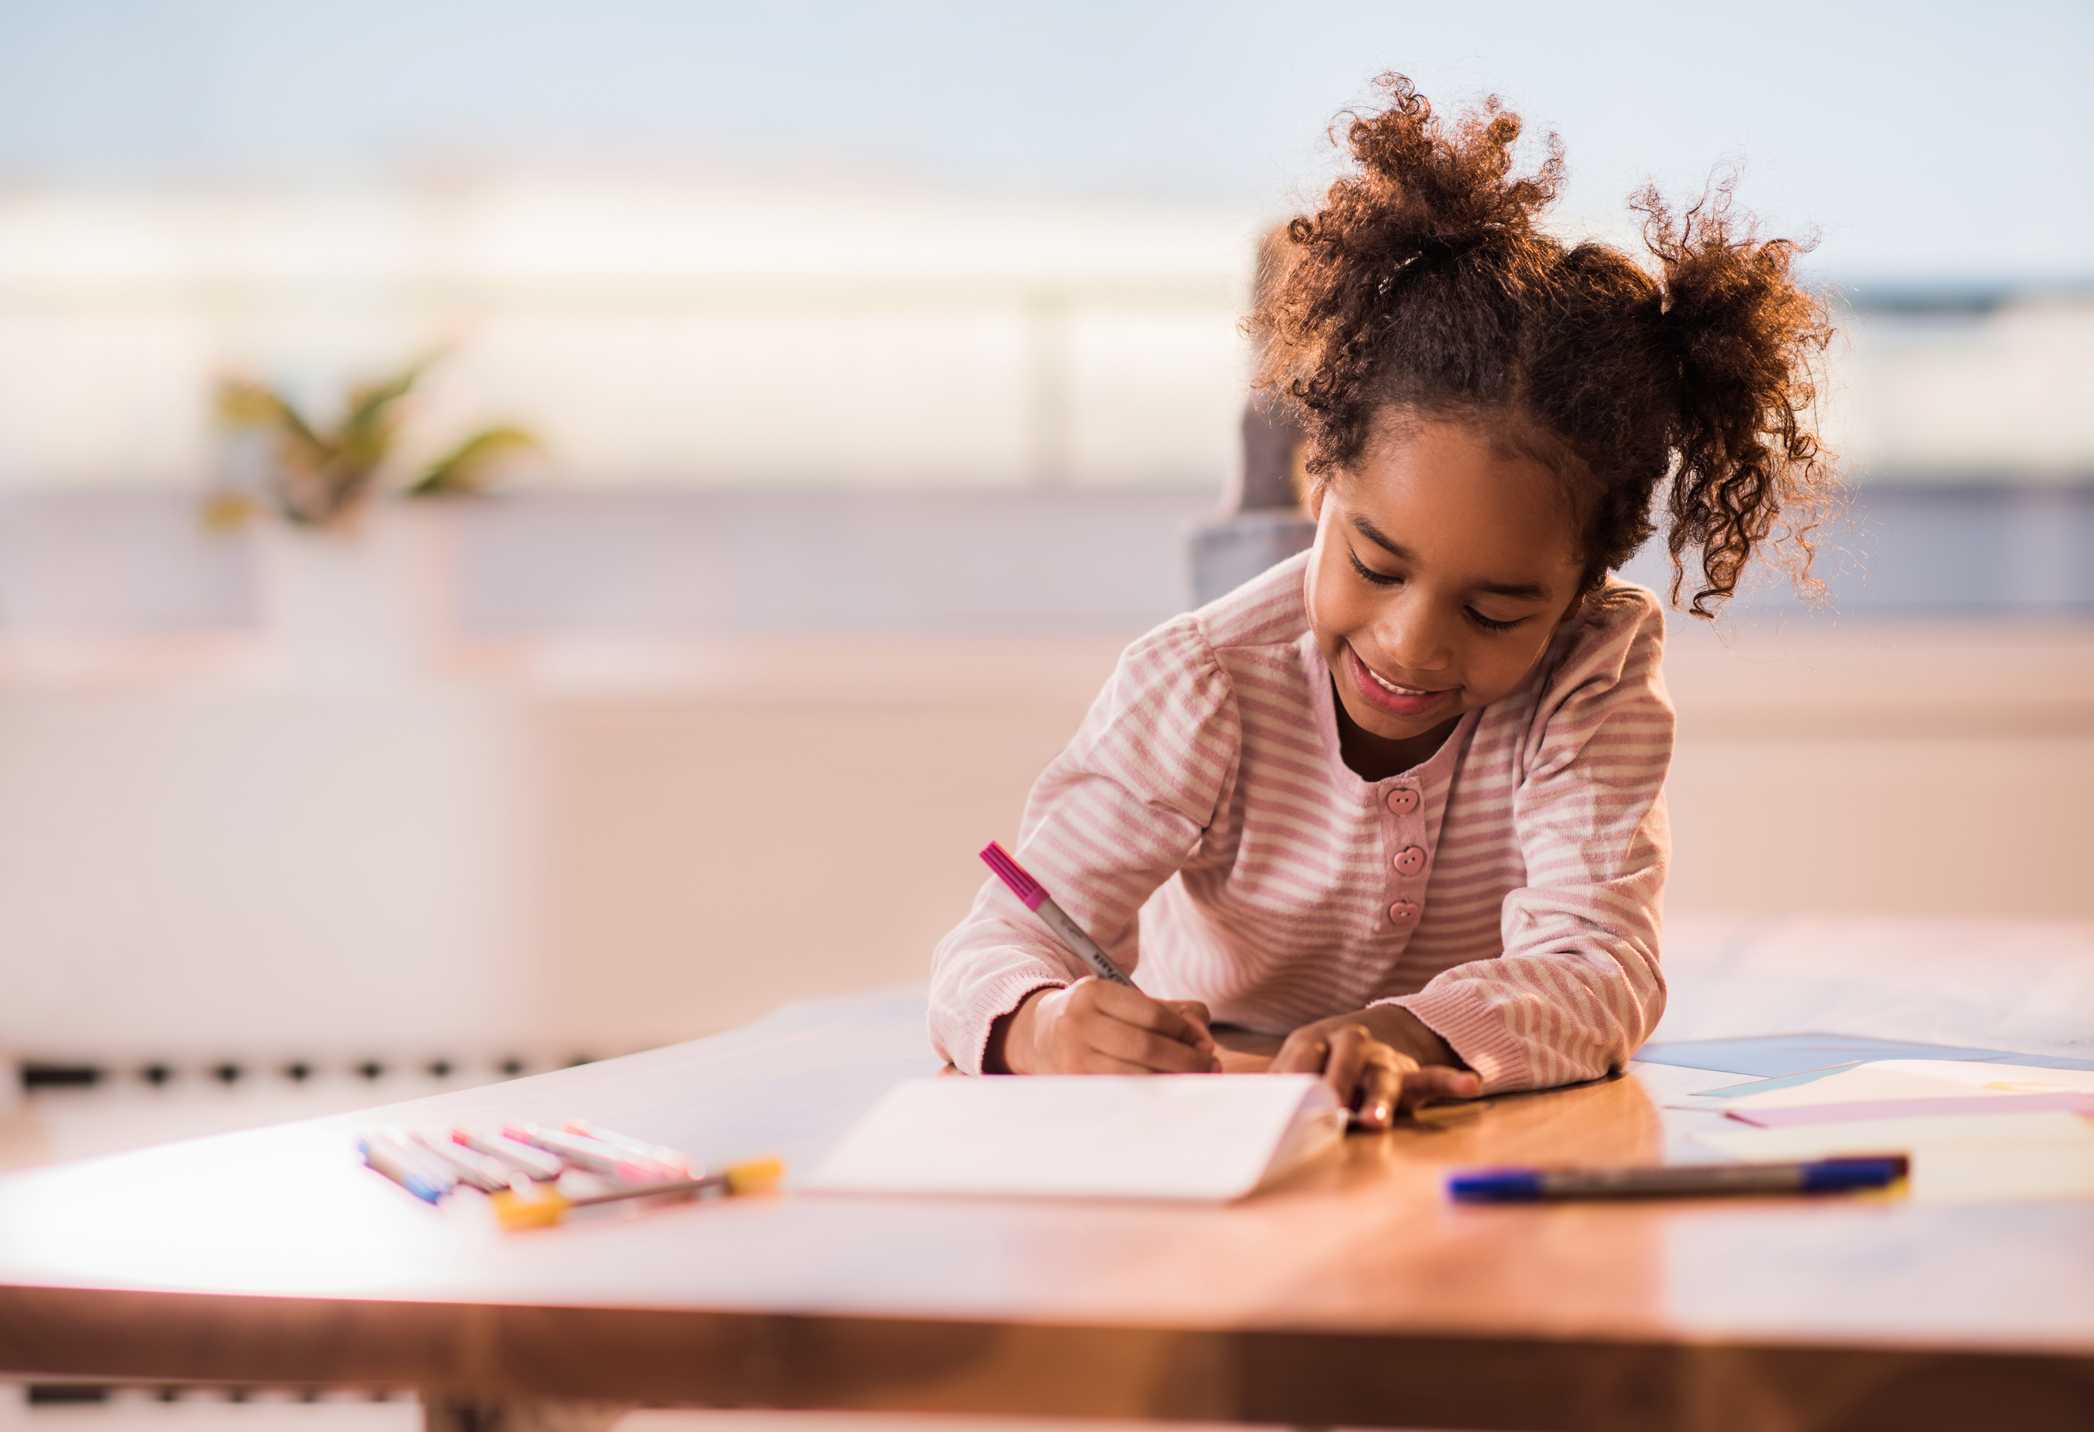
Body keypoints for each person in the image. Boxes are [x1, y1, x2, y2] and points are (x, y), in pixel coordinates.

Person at [930, 73, 1837, 1128]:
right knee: (1262, 590)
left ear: (1582, 585)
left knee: (1335, 606)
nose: (1414, 645)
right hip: (1230, 1075)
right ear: (1333, 482)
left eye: (1497, 610)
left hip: (1415, 1091)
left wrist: (1417, 1029)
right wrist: (1040, 1019)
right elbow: (989, 947)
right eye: (1378, 560)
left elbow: (1603, 965)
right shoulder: (1196, 684)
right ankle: (1281, 454)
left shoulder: (1594, 667)